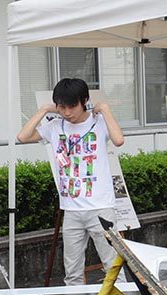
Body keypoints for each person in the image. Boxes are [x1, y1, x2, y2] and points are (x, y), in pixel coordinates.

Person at [16, 78, 125, 284]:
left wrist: (105, 110)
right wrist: (43, 110)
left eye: (72, 106)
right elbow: (23, 136)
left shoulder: (99, 123)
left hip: (100, 208)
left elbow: (119, 140)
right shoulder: (55, 126)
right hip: (71, 209)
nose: (67, 112)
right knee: (72, 272)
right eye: (61, 106)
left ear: (84, 101)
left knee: (113, 268)